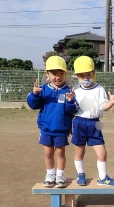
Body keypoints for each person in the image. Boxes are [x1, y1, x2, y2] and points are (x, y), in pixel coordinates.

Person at [27, 56, 78, 188]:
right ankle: (50, 175)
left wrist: (71, 101)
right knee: (48, 153)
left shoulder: (68, 91)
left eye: (61, 73)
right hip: (46, 128)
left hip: (61, 129)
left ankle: (60, 176)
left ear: (65, 74)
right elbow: (34, 105)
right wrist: (34, 94)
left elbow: (71, 110)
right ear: (47, 74)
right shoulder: (43, 89)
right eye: (54, 73)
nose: (58, 77)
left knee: (60, 153)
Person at [72, 56, 114, 187]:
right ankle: (80, 174)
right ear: (76, 76)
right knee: (79, 152)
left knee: (102, 152)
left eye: (88, 74)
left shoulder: (99, 89)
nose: (86, 78)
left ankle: (102, 177)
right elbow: (70, 108)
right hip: (79, 122)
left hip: (95, 123)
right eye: (82, 75)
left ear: (93, 73)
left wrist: (111, 102)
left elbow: (103, 107)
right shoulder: (75, 90)